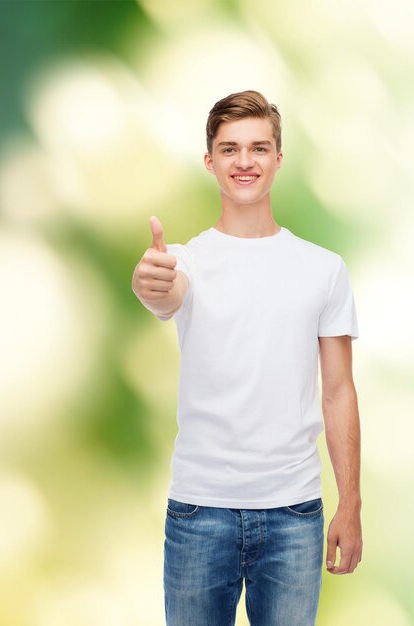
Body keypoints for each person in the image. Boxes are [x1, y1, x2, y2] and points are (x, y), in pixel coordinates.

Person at [132, 90, 362, 626]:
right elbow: (164, 293)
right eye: (230, 148)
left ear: (278, 159)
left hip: (293, 513)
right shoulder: (186, 261)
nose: (244, 161)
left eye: (258, 148)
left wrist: (349, 502)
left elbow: (339, 390)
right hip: (198, 511)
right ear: (210, 160)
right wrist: (150, 283)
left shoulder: (323, 269)